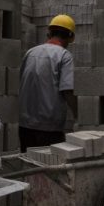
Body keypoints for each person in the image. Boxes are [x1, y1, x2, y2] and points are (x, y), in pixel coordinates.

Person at [18, 14, 79, 153]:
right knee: (50, 168)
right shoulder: (64, 56)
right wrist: (78, 114)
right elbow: (68, 90)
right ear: (71, 37)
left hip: (25, 125)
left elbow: (21, 82)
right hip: (49, 127)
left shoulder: (30, 53)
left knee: (30, 167)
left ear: (49, 33)